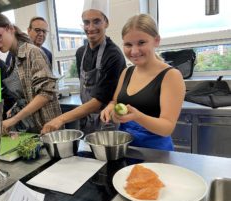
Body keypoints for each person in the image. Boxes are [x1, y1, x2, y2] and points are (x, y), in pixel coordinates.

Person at [100, 14, 186, 151]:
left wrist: (138, 117)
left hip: (156, 152)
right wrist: (111, 109)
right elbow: (115, 102)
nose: (134, 51)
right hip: (126, 148)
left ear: (156, 41)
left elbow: (167, 128)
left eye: (141, 43)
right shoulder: (126, 72)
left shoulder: (171, 76)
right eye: (128, 44)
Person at [41, 0, 126, 134]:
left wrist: (60, 119)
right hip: (86, 120)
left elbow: (99, 101)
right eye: (86, 22)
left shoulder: (114, 55)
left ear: (106, 22)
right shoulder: (81, 53)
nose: (90, 28)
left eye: (96, 21)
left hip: (107, 122)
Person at [0, 14, 62, 134]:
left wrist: (14, 119)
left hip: (46, 128)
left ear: (10, 29)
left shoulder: (32, 52)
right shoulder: (14, 58)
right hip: (31, 128)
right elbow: (25, 95)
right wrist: (15, 109)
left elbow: (46, 94)